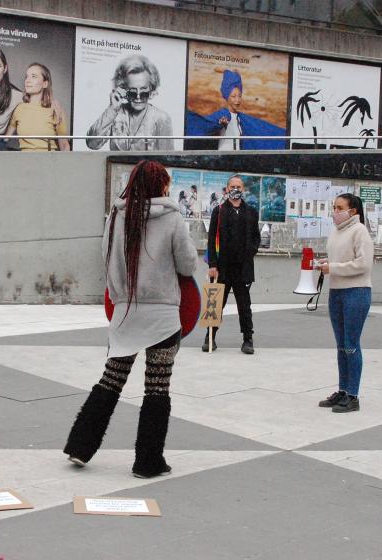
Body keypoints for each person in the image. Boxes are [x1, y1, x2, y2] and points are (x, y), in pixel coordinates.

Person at [63, 160, 197, 478]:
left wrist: (120, 297)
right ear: (162, 185)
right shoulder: (173, 218)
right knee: (157, 388)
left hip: (125, 314)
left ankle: (80, 446)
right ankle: (147, 461)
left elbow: (105, 259)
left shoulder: (116, 216)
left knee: (111, 380)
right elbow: (188, 266)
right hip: (163, 316)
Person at [315, 194, 374, 413]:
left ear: (353, 211)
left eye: (339, 208)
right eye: (334, 207)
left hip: (356, 292)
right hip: (337, 292)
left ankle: (353, 395)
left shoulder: (360, 232)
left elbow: (363, 264)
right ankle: (342, 389)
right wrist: (326, 264)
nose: (335, 211)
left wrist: (334, 268)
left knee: (351, 344)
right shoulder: (336, 232)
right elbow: (340, 260)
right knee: (341, 345)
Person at [205, 175, 261, 354]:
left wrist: (249, 253)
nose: (235, 189)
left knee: (244, 305)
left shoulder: (251, 212)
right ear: (227, 188)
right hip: (222, 267)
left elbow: (255, 238)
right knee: (216, 303)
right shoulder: (219, 211)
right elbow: (212, 239)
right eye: (232, 186)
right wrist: (212, 264)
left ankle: (248, 339)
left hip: (243, 268)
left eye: (239, 186)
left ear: (243, 189)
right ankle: (210, 337)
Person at [86, 55, 173, 151]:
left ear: (151, 89)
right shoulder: (115, 114)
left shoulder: (161, 118)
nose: (138, 97)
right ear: (123, 89)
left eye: (143, 91)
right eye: (132, 91)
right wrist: (112, 109)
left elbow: (167, 158)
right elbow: (92, 144)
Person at [185, 69, 286, 150]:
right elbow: (208, 125)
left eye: (239, 96)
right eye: (233, 96)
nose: (237, 100)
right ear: (226, 96)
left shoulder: (241, 119)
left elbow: (261, 130)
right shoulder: (221, 114)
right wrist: (220, 124)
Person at [7, 63, 70, 151]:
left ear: (45, 84)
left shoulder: (55, 109)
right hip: (24, 161)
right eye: (27, 76)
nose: (27, 80)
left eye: (34, 76)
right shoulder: (19, 108)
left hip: (49, 160)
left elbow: (64, 145)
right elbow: (5, 139)